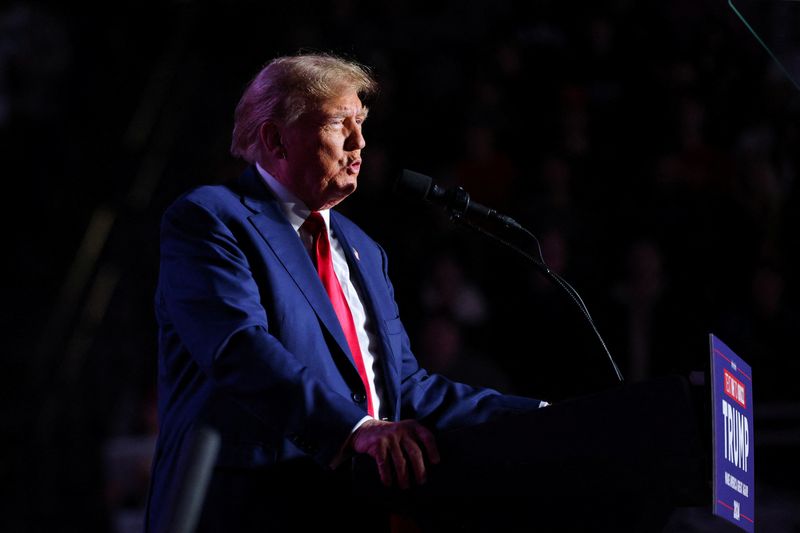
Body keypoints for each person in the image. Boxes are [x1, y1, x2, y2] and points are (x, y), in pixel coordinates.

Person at [145, 53, 546, 533]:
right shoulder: (211, 219)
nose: (360, 144)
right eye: (340, 124)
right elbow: (239, 349)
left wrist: (540, 420)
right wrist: (355, 429)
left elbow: (402, 388)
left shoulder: (363, 249)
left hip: (354, 511)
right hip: (246, 508)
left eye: (362, 123)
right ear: (275, 139)